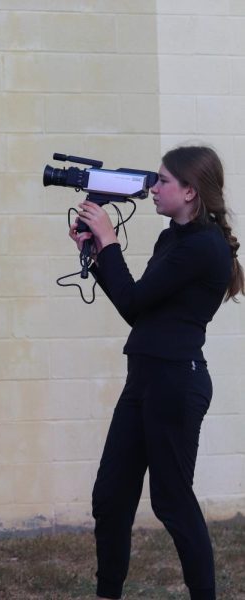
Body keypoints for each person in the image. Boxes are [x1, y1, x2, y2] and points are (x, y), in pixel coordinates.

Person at [70, 145, 243, 600]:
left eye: (163, 180)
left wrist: (108, 242)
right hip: (145, 378)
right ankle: (108, 593)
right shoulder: (173, 239)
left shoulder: (204, 248)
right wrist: (95, 251)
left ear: (190, 191)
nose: (154, 186)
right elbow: (135, 308)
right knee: (110, 498)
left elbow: (135, 299)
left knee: (171, 500)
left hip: (175, 382)